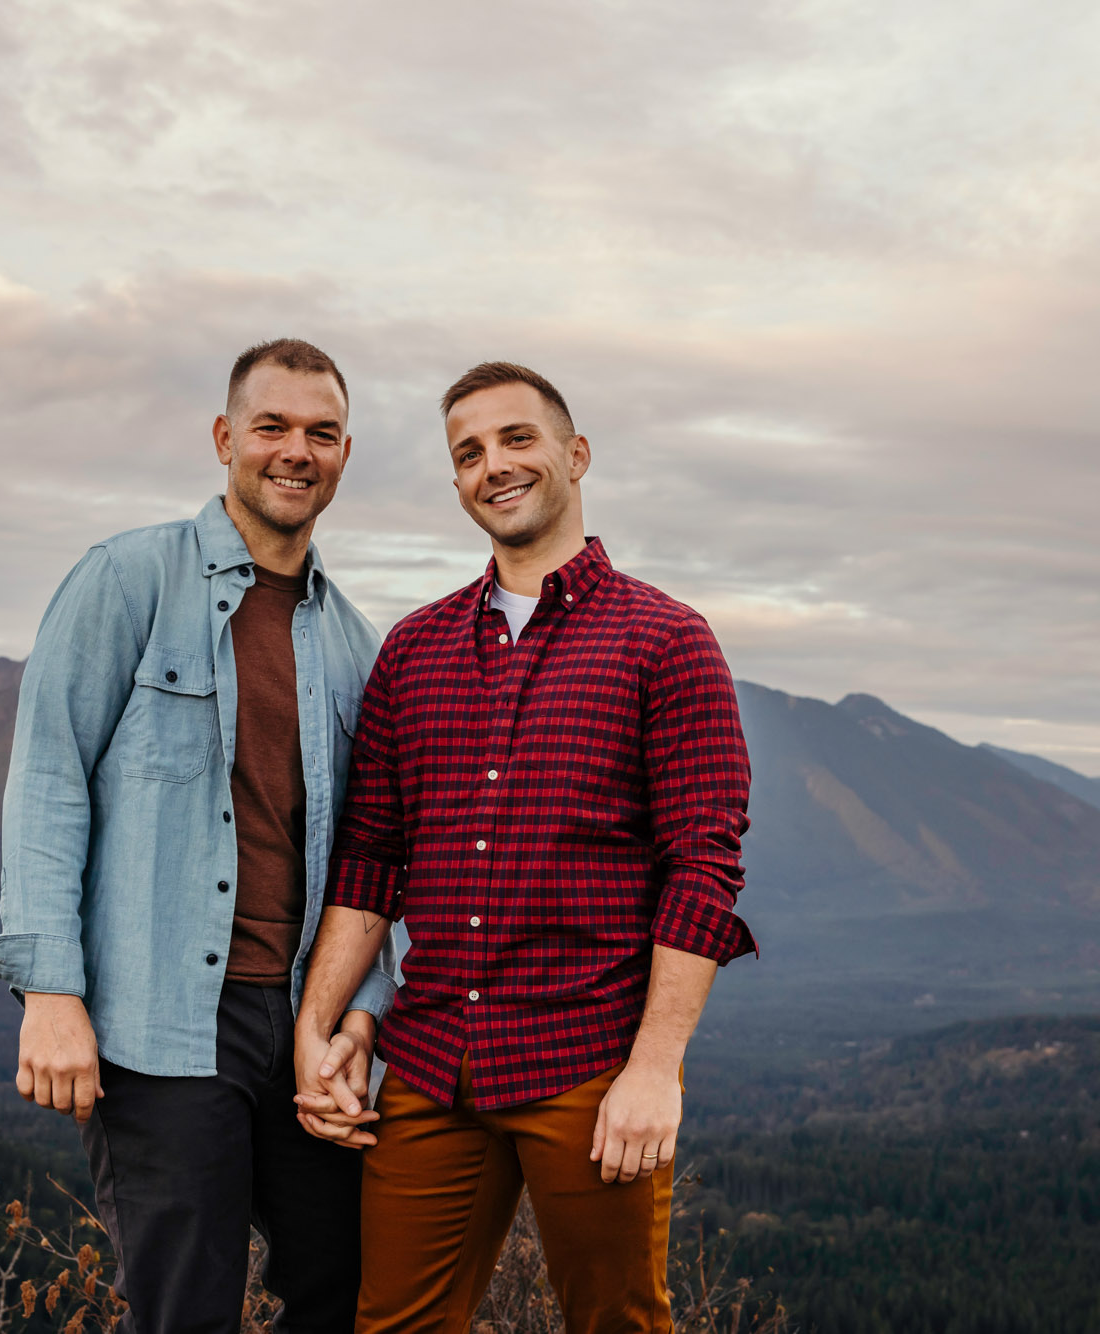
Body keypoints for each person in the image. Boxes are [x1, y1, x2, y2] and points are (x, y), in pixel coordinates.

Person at [292, 361, 754, 1334]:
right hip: (428, 1064)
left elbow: (700, 869)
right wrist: (318, 1022)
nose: (491, 465)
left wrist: (654, 1069)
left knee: (616, 1321)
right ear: (455, 482)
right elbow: (370, 860)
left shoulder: (664, 641)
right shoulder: (413, 651)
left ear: (574, 455)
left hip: (587, 1061)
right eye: (467, 452)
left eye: (515, 438)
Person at [0, 338, 397, 1334]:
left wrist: (358, 1019)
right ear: (223, 438)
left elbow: (378, 858)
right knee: (184, 1310)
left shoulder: (353, 644)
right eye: (273, 426)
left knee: (342, 1289)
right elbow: (46, 781)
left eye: (321, 432)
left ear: (344, 453)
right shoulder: (125, 578)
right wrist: (50, 990)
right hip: (164, 1029)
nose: (296, 450)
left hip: (304, 1025)